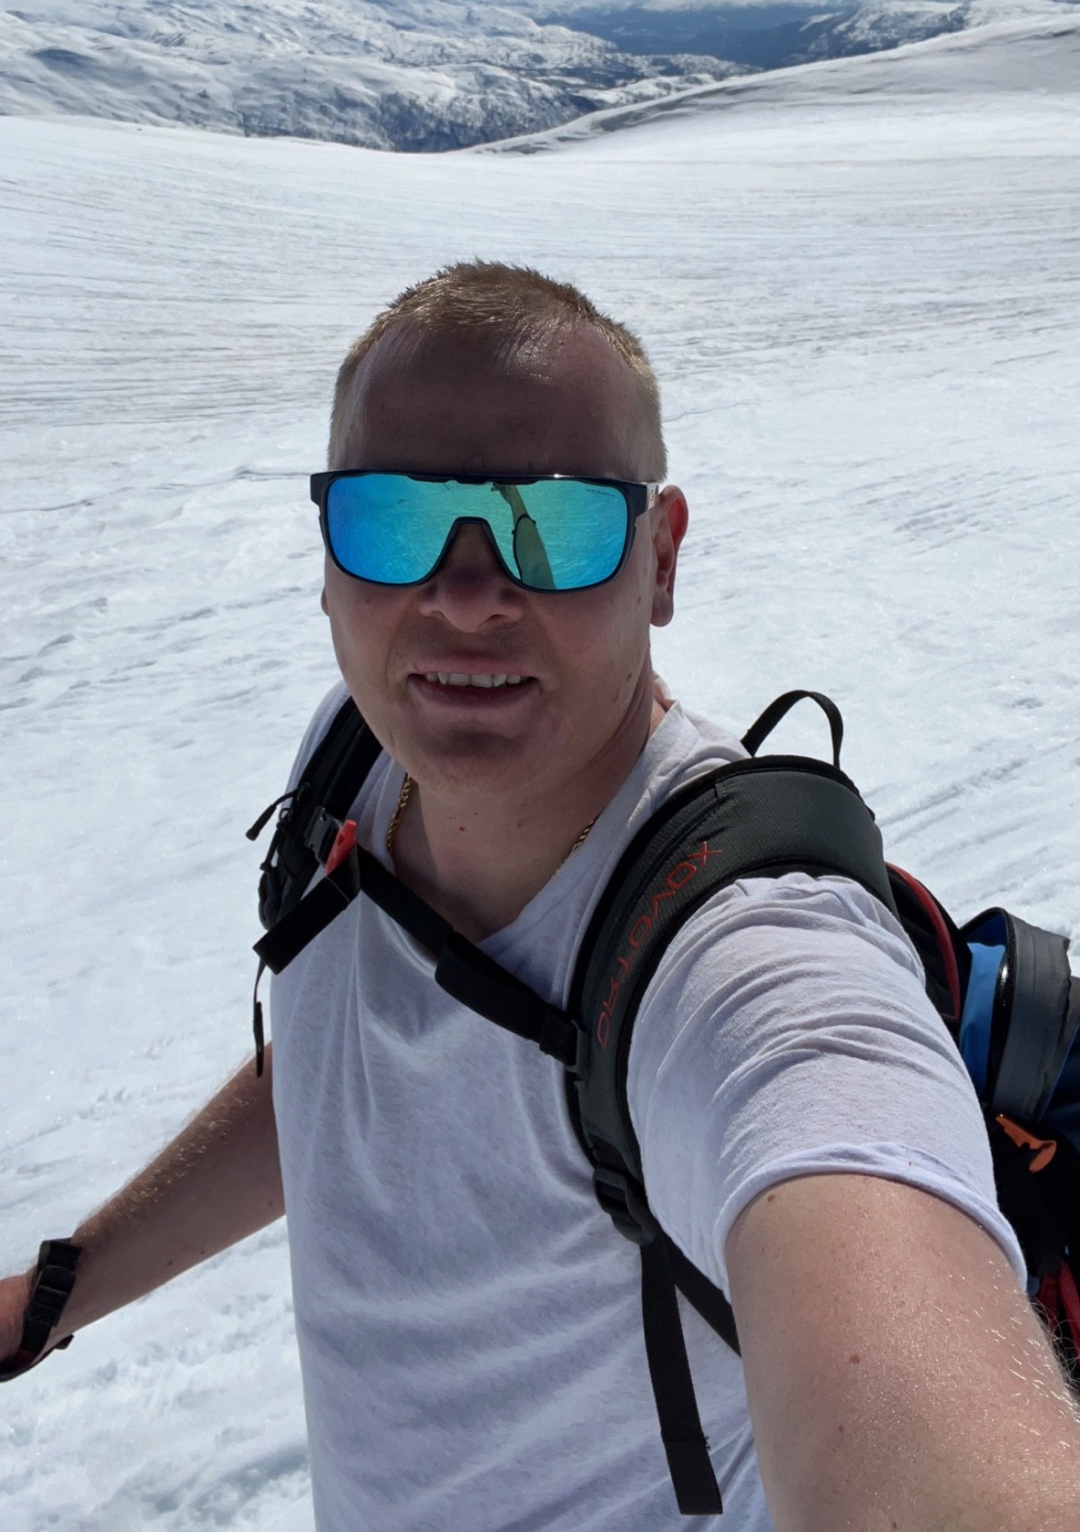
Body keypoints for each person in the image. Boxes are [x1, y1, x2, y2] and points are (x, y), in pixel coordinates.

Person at [3, 260, 1080, 1531]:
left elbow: (905, 1379)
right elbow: (351, 1068)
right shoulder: (354, 762)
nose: (464, 598)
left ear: (660, 559)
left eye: (554, 525)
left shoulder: (747, 961)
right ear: (327, 553)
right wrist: (58, 1291)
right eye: (392, 521)